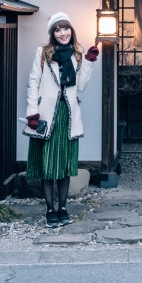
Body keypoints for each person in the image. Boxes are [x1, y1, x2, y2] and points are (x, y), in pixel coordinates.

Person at [24, 12, 98, 227]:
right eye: (58, 30)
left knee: (64, 164)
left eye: (65, 29)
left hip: (68, 115)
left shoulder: (77, 54)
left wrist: (89, 61)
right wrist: (32, 112)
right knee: (47, 165)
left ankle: (63, 208)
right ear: (52, 33)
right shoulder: (43, 53)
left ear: (71, 31)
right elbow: (33, 82)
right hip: (46, 116)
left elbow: (81, 86)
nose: (63, 33)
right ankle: (49, 209)